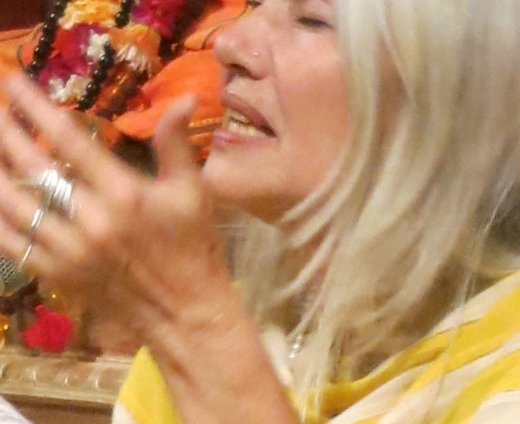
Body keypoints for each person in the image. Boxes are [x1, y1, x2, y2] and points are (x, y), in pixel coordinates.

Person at [0, 0, 520, 423]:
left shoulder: (504, 370)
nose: (229, 45)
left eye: (312, 19)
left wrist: (191, 322)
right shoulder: (223, 334)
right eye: (256, 6)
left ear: (456, 98)